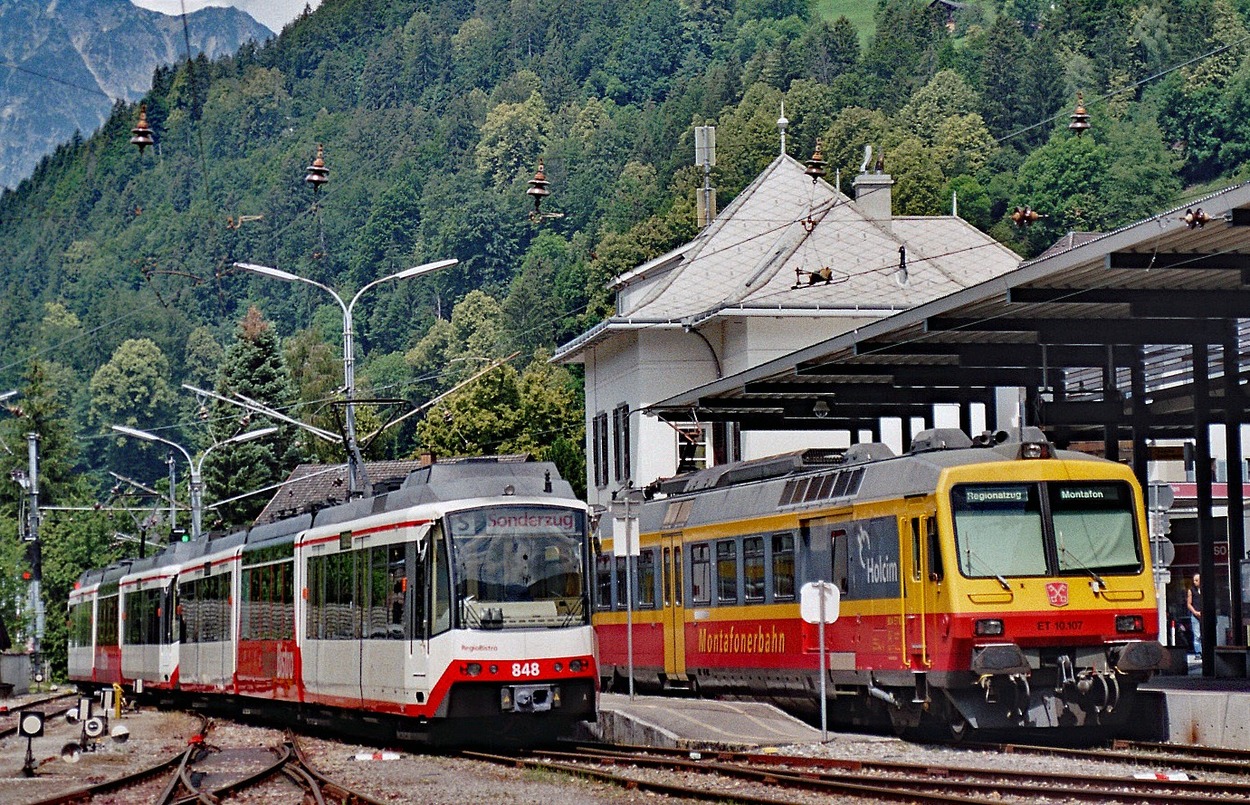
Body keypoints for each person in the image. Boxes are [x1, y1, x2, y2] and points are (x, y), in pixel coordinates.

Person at [1186, 572, 1203, 656]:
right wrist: (1195, 612)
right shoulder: (1191, 590)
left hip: (1204, 615)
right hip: (1195, 615)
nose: (1195, 582)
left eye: (1197, 580)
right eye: (1194, 580)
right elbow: (1189, 604)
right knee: (1197, 635)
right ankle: (1198, 652)